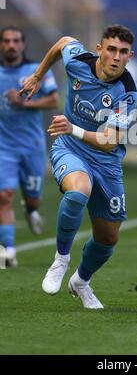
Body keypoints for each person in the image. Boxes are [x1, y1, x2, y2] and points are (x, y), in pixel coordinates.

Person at [20, 25, 137, 309]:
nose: (115, 57)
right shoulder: (78, 61)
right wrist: (38, 75)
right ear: (99, 49)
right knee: (78, 191)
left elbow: (110, 142)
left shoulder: (127, 92)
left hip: (106, 161)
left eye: (123, 52)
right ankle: (61, 260)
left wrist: (72, 127)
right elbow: (63, 41)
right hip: (69, 148)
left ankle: (81, 281)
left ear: (129, 56)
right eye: (111, 49)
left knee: (108, 238)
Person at [0, 26, 59, 267]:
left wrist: (25, 102)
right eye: (6, 41)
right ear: (2, 45)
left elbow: (54, 100)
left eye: (16, 41)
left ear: (22, 45)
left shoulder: (36, 72)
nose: (11, 45)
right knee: (4, 195)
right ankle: (8, 251)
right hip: (4, 147)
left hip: (33, 146)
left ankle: (31, 209)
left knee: (32, 198)